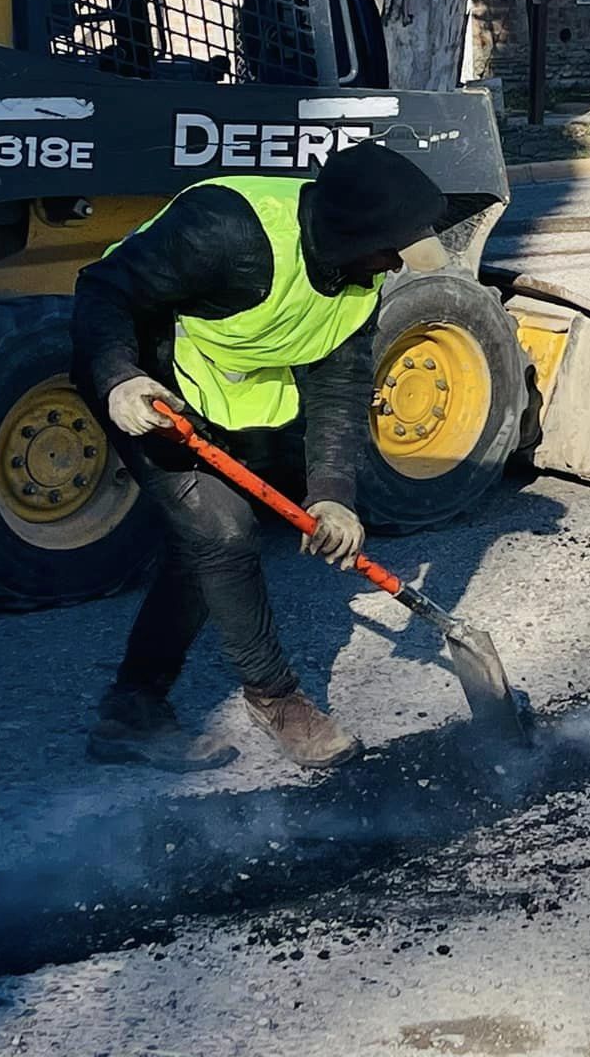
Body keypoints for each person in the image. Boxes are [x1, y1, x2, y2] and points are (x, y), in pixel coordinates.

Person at [72, 141, 450, 771]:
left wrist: (333, 493)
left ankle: (131, 711)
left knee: (201, 549)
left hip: (223, 394)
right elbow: (104, 289)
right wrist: (118, 378)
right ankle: (275, 698)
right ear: (351, 232)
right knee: (222, 532)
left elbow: (338, 383)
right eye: (391, 250)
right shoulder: (227, 229)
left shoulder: (358, 278)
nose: (396, 266)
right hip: (144, 381)